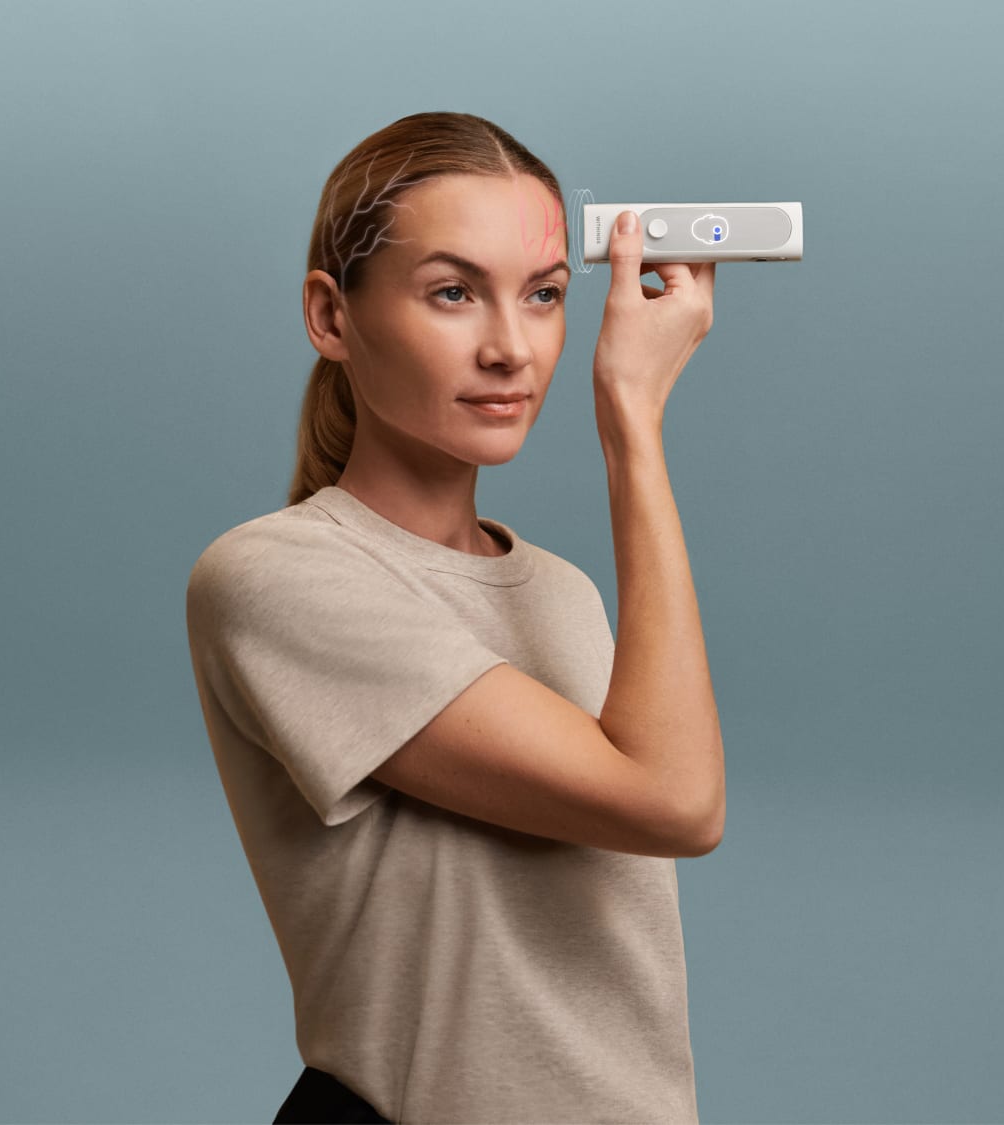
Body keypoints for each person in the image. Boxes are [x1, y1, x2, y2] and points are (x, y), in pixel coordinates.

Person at [185, 111, 725, 1124]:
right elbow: (675, 804)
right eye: (452, 293)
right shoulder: (276, 578)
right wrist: (632, 426)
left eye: (546, 296)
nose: (510, 347)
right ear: (331, 316)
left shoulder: (563, 593)